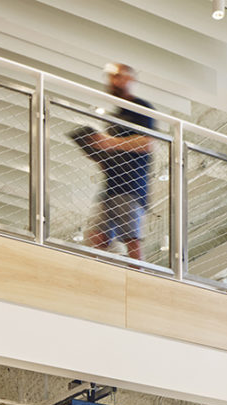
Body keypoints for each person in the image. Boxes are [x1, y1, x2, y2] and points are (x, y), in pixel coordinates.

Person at [78, 63, 156, 263]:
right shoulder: (114, 118)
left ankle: (139, 278)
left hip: (131, 186)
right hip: (111, 186)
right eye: (111, 77)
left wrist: (110, 143)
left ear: (130, 79)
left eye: (118, 76)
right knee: (97, 236)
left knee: (132, 239)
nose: (113, 81)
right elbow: (111, 150)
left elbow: (147, 143)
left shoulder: (141, 108)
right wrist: (97, 152)